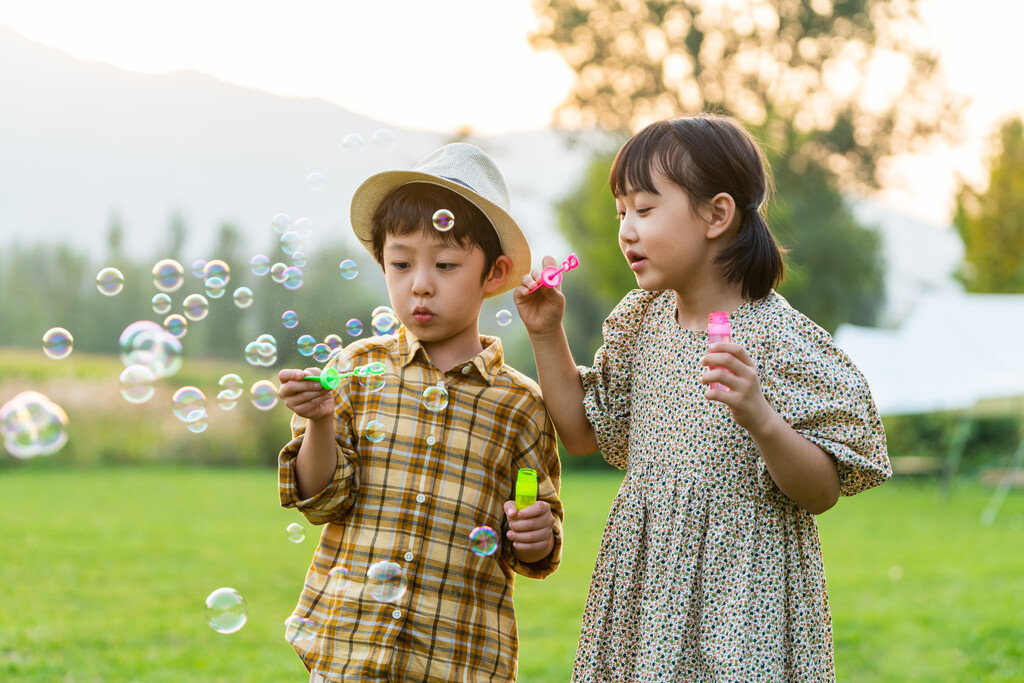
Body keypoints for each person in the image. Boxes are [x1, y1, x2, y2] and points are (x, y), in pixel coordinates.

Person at [514, 114, 891, 681]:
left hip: (744, 600)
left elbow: (821, 493)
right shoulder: (640, 323)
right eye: (622, 213)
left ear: (717, 214)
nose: (626, 230)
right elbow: (582, 434)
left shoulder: (779, 338)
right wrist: (546, 332)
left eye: (644, 208)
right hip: (648, 588)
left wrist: (760, 417)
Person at [277, 143, 563, 682]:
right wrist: (318, 420)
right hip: (349, 650)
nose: (420, 284)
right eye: (401, 263)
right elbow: (320, 497)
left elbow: (535, 538)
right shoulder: (354, 371)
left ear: (495, 273)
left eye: (446, 264)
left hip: (457, 657)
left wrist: (536, 534)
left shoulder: (521, 405)